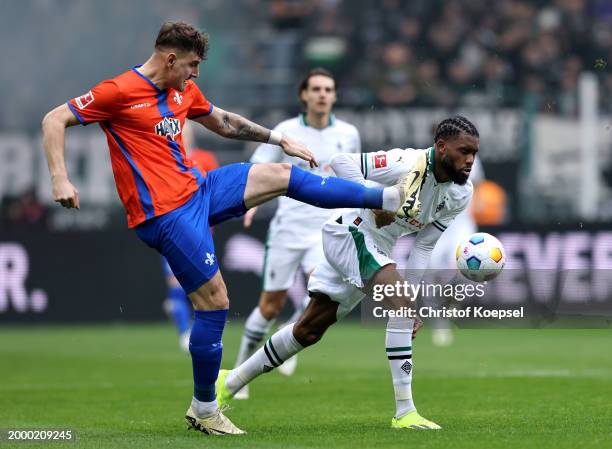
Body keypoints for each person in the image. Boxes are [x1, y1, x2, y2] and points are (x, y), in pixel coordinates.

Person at [40, 22, 423, 436]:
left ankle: (385, 199)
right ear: (170, 58)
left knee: (279, 173)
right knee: (216, 302)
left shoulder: (181, 90)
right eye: (192, 65)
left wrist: (279, 139)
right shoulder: (118, 92)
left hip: (198, 190)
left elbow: (223, 121)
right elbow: (54, 118)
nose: (196, 74)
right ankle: (205, 408)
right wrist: (60, 178)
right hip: (164, 214)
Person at [215, 116, 480, 431]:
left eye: (474, 153)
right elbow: (341, 162)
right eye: (464, 151)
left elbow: (423, 247)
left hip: (376, 249)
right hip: (351, 232)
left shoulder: (461, 194)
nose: (470, 160)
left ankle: (229, 382)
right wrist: (373, 198)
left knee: (308, 331)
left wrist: (411, 301)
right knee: (398, 305)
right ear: (441, 147)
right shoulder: (406, 162)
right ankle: (405, 412)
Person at [234, 68, 361, 395]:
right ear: (304, 95)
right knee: (269, 307)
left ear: (334, 96)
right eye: (316, 89)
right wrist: (250, 204)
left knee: (320, 293)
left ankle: (286, 340)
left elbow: (354, 180)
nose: (322, 94)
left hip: (327, 231)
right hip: (288, 230)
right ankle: (241, 364)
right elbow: (258, 169)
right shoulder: (286, 131)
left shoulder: (348, 134)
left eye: (328, 89)